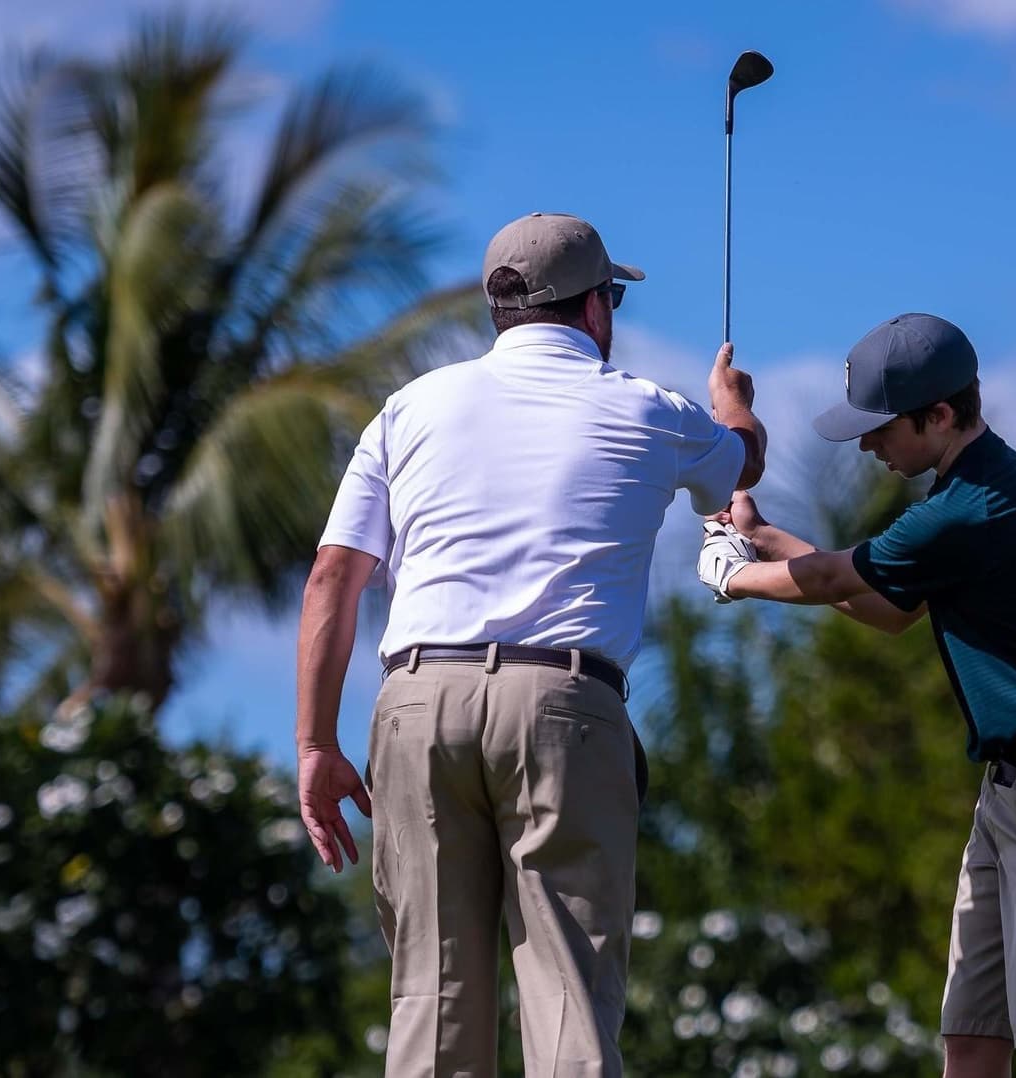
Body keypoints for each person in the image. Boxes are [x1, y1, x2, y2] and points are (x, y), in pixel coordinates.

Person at [295, 212, 767, 1077]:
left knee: (432, 1004)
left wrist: (317, 744)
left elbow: (333, 576)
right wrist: (735, 414)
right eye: (613, 296)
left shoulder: (409, 408)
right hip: (565, 704)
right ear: (596, 310)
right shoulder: (646, 408)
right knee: (567, 999)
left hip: (418, 702)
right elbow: (739, 468)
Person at [698, 313, 1016, 1078]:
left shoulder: (974, 506)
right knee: (971, 1040)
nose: (868, 445)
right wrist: (764, 538)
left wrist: (730, 574)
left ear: (939, 415)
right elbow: (885, 607)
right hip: (1014, 788)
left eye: (880, 429)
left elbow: (844, 579)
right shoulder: (970, 492)